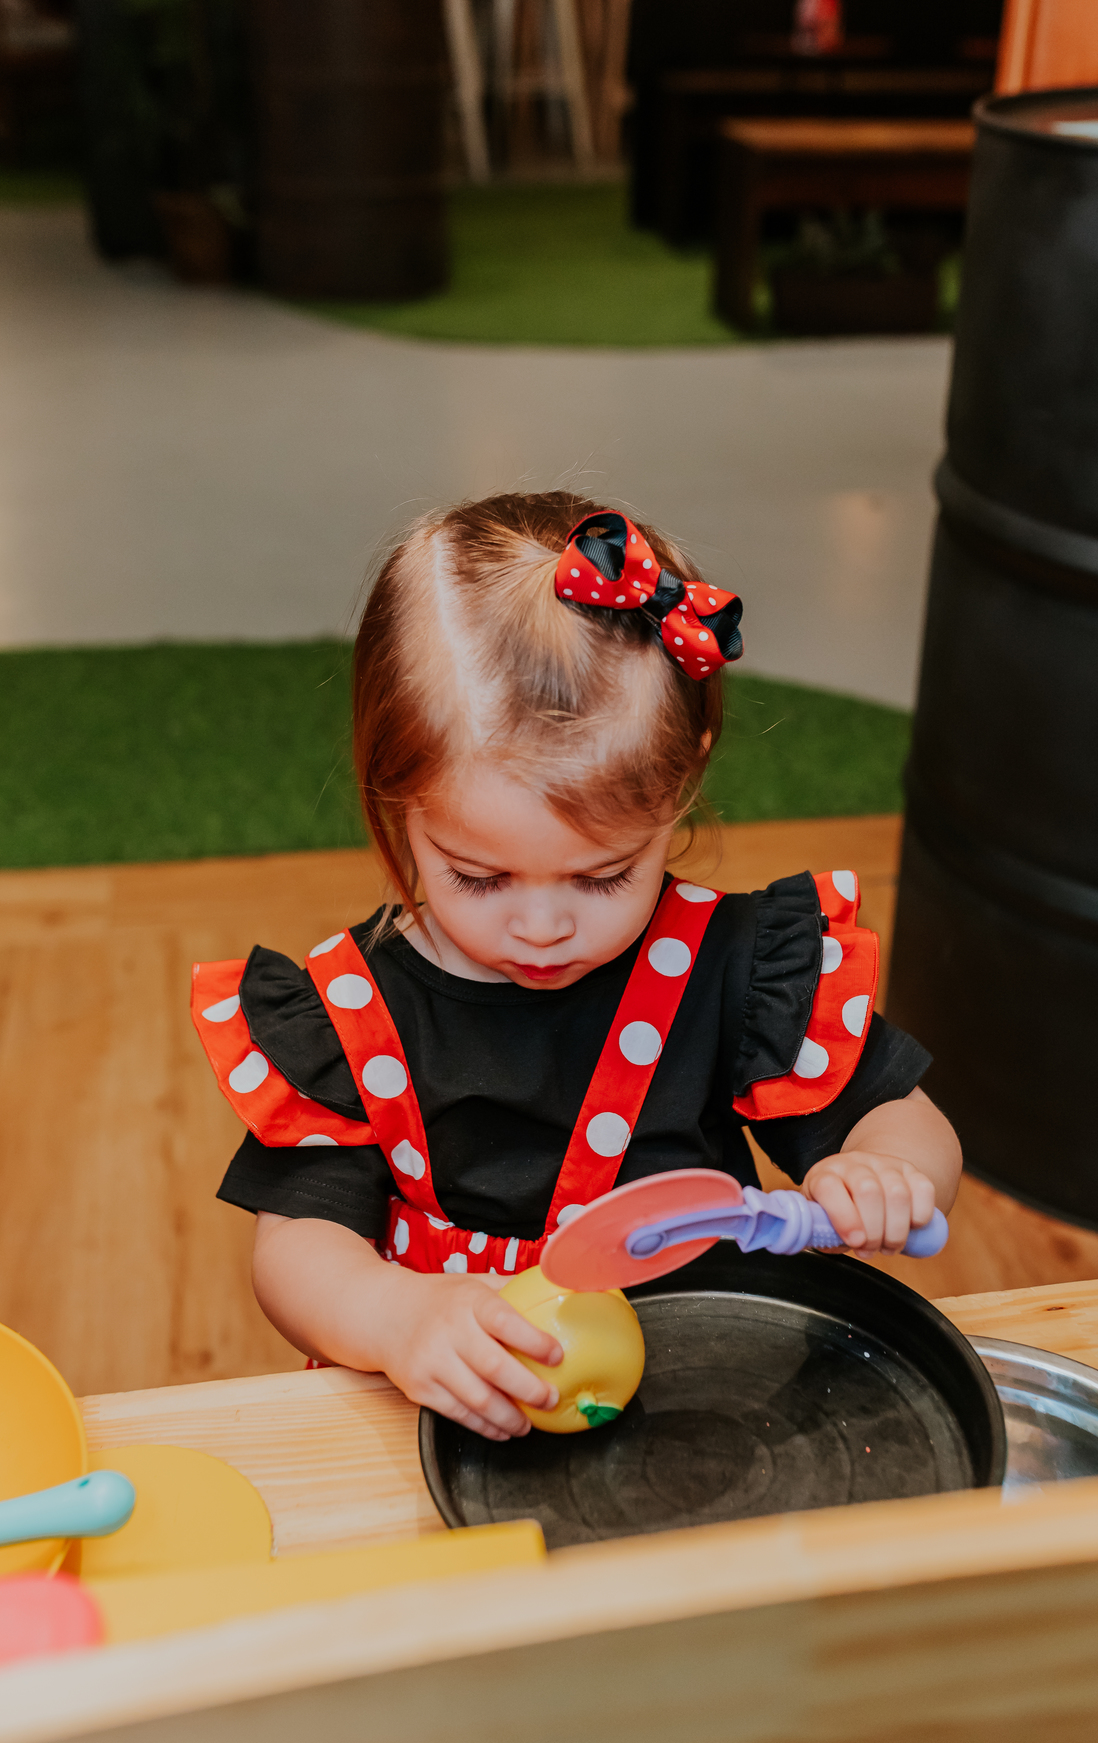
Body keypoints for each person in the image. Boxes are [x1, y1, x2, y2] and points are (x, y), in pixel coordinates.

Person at [193, 492, 961, 1443]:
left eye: (603, 877)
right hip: (461, 1413)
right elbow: (296, 1250)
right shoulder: (349, 1018)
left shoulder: (736, 969)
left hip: (709, 1406)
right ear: (396, 795)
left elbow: (903, 1121)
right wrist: (395, 1317)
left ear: (682, 783)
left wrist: (888, 1172)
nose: (543, 928)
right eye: (479, 877)